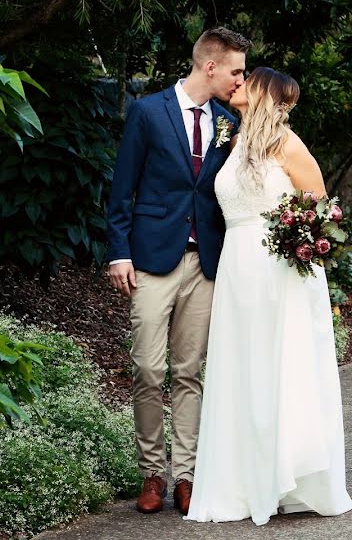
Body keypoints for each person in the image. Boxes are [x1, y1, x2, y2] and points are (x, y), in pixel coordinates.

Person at [184, 67, 352, 526]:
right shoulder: (234, 140)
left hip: (279, 274)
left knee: (278, 368)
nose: (237, 84)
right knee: (242, 369)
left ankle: (284, 476)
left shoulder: (287, 143)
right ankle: (241, 482)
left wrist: (296, 236)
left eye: (247, 80)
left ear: (262, 93)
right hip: (237, 269)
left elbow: (321, 207)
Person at [105, 27, 250, 515]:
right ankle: (152, 471)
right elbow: (122, 187)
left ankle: (186, 476)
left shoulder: (229, 121)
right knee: (148, 366)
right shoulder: (148, 112)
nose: (239, 80)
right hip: (150, 258)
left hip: (205, 262)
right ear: (210, 66)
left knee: (189, 372)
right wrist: (118, 252)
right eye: (235, 70)